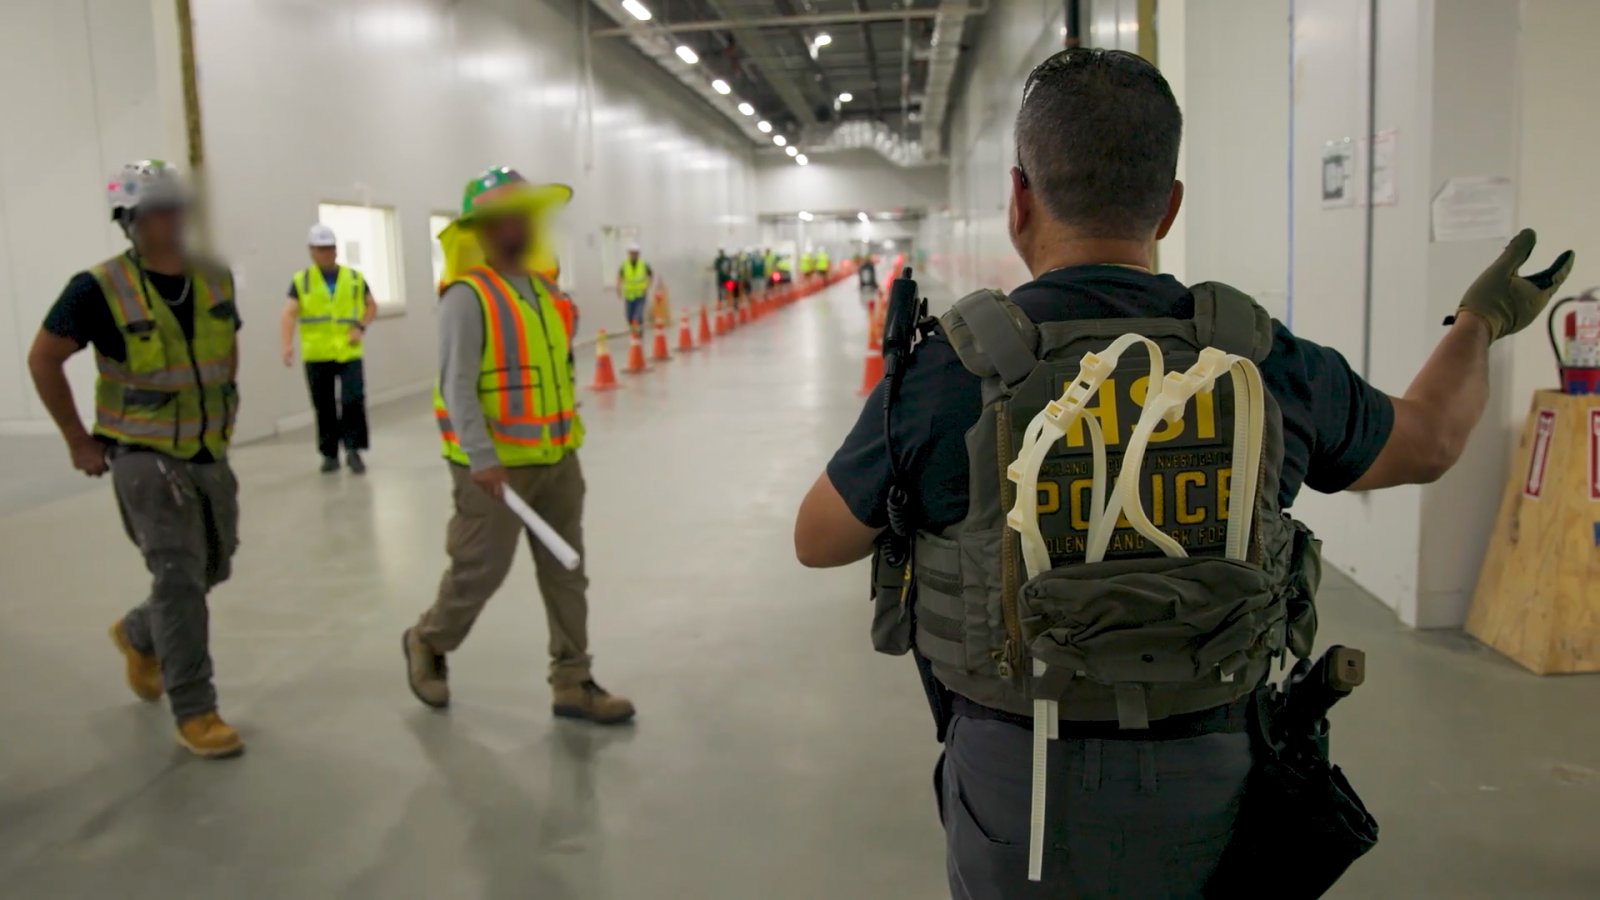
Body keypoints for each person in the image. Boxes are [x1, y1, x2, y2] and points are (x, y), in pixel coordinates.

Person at [793, 48, 1572, 899]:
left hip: (1020, 786)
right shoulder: (1259, 360)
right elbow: (1430, 440)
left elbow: (818, 538)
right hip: (1218, 769)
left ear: (1018, 199)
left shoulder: (952, 371)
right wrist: (1479, 320)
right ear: (1169, 206)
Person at [28, 161, 248, 759]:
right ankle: (196, 710)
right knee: (178, 576)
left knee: (214, 566)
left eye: (177, 207)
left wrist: (225, 408)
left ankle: (136, 633)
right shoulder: (96, 288)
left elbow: (227, 347)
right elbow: (44, 359)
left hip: (208, 447)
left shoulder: (214, 276)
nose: (171, 220)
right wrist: (78, 440)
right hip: (142, 453)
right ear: (129, 221)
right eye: (156, 211)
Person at [405, 166, 634, 725]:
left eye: (525, 215)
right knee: (480, 571)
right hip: (494, 471)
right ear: (481, 229)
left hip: (557, 459)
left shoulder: (546, 291)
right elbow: (456, 384)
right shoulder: (467, 297)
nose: (519, 225)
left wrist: (565, 448)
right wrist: (482, 459)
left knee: (566, 573)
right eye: (506, 217)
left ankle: (573, 681)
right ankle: (428, 638)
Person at [280, 223, 378, 473]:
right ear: (311, 251)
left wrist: (361, 326)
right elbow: (289, 313)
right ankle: (329, 454)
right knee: (324, 406)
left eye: (329, 248)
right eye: (320, 249)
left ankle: (354, 451)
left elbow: (371, 305)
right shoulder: (302, 281)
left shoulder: (354, 278)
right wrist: (286, 345)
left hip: (348, 350)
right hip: (317, 353)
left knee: (353, 400)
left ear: (336, 250)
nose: (325, 253)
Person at [618, 241, 654, 333]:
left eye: (635, 253)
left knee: (637, 316)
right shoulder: (624, 264)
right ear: (629, 253)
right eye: (631, 253)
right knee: (629, 316)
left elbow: (650, 276)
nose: (633, 255)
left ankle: (639, 334)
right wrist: (618, 289)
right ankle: (635, 331)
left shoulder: (643, 264)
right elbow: (620, 277)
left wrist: (646, 286)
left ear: (638, 254)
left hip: (640, 295)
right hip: (629, 296)